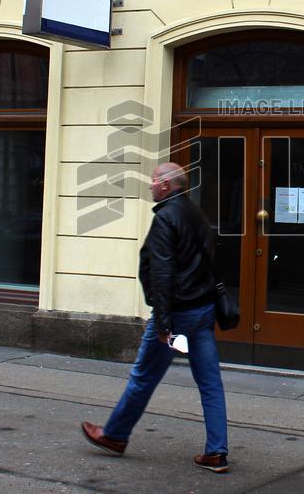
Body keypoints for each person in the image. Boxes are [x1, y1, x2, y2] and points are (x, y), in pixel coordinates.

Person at [81, 162, 230, 473]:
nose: (149, 186)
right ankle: (216, 451)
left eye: (152, 181)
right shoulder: (196, 213)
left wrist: (163, 324)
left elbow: (162, 273)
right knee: (210, 383)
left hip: (177, 313)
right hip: (203, 311)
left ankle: (114, 435)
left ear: (165, 185)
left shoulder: (166, 218)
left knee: (143, 376)